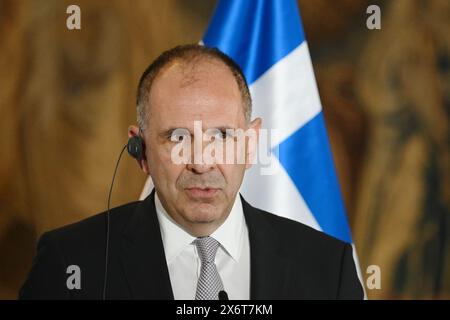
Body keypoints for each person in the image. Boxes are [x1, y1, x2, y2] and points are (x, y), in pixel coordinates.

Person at [19, 44, 363, 300]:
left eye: (222, 136)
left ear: (250, 144)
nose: (201, 162)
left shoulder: (327, 269)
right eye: (178, 137)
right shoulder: (69, 263)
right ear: (141, 151)